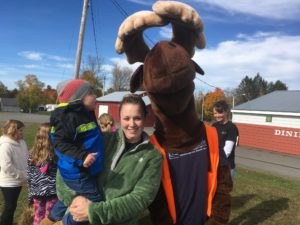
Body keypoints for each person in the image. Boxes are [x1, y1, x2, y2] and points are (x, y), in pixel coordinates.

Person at [55, 94, 163, 225]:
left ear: (145, 118)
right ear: (119, 118)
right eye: (127, 118)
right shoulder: (101, 140)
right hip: (77, 218)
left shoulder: (152, 156)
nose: (132, 124)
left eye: (137, 118)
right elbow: (66, 169)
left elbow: (140, 199)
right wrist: (75, 200)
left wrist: (93, 212)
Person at [40, 79, 105, 225]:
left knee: (71, 196)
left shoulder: (84, 113)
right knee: (94, 202)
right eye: (90, 93)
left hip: (83, 168)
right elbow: (60, 144)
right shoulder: (68, 116)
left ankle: (50, 220)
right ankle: (65, 223)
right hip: (78, 171)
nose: (95, 96)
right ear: (78, 97)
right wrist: (82, 157)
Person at [27, 123, 58, 225]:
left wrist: (30, 195)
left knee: (38, 216)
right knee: (49, 218)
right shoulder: (55, 154)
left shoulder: (31, 154)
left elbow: (30, 176)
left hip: (37, 193)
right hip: (52, 193)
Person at [0, 120, 29, 225]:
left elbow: (26, 157)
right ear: (13, 131)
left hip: (19, 180)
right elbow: (6, 167)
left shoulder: (22, 142)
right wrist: (22, 175)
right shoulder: (5, 146)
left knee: (12, 206)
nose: (22, 133)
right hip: (9, 182)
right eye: (20, 130)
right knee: (10, 206)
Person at [213, 100, 239, 179]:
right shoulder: (214, 126)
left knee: (224, 190)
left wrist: (216, 161)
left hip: (226, 167)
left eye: (219, 112)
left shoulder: (231, 128)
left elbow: (227, 151)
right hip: (214, 165)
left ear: (226, 112)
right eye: (215, 113)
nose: (217, 115)